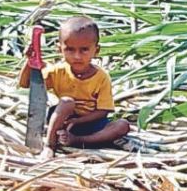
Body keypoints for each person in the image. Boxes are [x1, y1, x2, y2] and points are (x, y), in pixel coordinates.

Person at [18, 16, 131, 153]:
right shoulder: (58, 71)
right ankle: (50, 145)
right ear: (60, 49)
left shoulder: (101, 77)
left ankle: (78, 140)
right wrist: (29, 62)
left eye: (84, 50)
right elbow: (26, 84)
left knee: (122, 126)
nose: (77, 56)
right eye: (70, 49)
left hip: (91, 122)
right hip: (63, 119)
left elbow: (103, 111)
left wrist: (79, 121)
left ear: (96, 50)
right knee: (67, 102)